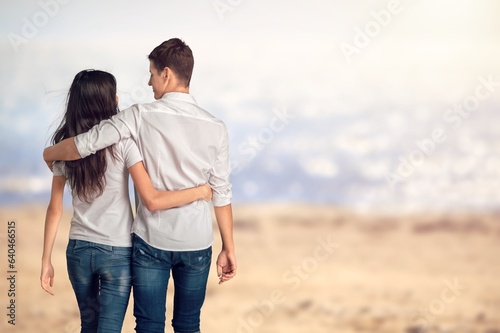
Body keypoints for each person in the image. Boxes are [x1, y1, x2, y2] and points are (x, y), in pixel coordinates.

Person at [43, 38, 237, 333]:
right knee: (188, 324)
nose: (149, 82)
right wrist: (228, 247)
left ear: (167, 74)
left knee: (147, 325)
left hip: (150, 243)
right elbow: (222, 192)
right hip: (197, 241)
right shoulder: (217, 127)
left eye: (152, 73)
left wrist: (49, 153)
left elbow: (86, 144)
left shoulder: (138, 116)